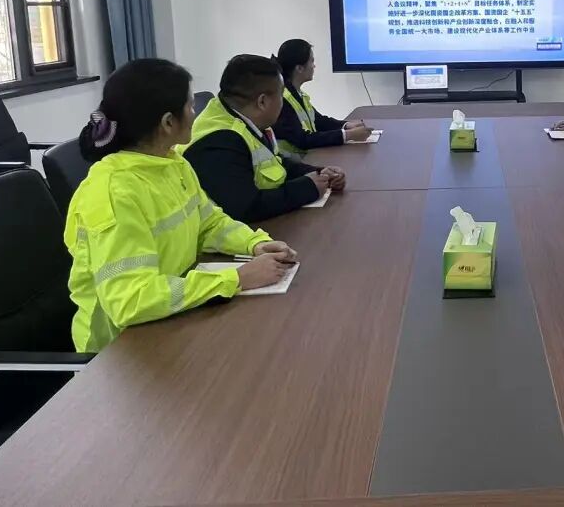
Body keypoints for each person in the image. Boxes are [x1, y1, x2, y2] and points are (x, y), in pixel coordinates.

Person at [64, 59, 298, 353]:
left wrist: (255, 244)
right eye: (189, 106)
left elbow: (209, 222)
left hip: (171, 319)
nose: (195, 112)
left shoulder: (172, 163)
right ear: (168, 123)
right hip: (120, 351)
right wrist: (237, 278)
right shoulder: (114, 192)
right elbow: (131, 300)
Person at [184, 54, 347, 222]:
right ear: (262, 102)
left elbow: (275, 163)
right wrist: (307, 188)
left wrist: (317, 173)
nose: (283, 102)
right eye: (281, 95)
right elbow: (245, 207)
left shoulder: (246, 119)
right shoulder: (219, 141)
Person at [272, 39, 373, 158]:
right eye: (311, 61)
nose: (314, 66)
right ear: (299, 68)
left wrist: (346, 125)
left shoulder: (297, 94)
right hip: (294, 162)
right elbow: (303, 140)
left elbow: (319, 121)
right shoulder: (282, 99)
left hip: (309, 157)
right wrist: (348, 135)